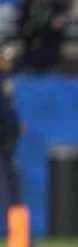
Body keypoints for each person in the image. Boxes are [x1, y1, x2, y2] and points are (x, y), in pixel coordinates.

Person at [0, 45, 21, 209]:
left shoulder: (7, 80)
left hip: (7, 131)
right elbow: (5, 109)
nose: (9, 62)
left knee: (10, 175)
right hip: (4, 131)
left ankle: (16, 226)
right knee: (8, 176)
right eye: (6, 59)